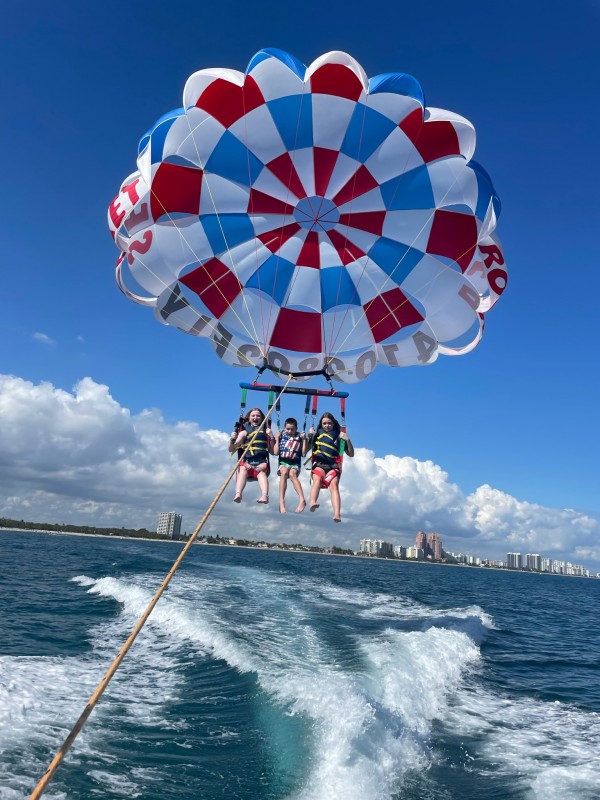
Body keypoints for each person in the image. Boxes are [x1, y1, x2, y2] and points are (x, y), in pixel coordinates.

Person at [303, 411, 354, 522]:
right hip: (319, 465)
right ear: (321, 424)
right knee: (317, 480)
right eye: (324, 423)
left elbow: (351, 454)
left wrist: (347, 440)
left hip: (333, 466)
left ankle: (337, 514)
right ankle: (312, 502)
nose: (327, 425)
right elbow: (305, 450)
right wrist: (309, 436)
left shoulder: (339, 436)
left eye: (329, 423)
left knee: (334, 485)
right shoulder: (317, 435)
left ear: (333, 424)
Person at [228, 408, 272, 504]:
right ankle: (238, 493)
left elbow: (273, 451)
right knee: (243, 470)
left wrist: (271, 437)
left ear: (262, 418)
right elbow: (231, 449)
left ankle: (265, 496)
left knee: (262, 474)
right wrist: (232, 440)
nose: (255, 417)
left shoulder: (265, 432)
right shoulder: (244, 432)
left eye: (258, 416)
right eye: (253, 415)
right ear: (249, 418)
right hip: (247, 463)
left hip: (261, 464)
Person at [271, 417, 306, 514]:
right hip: (283, 461)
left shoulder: (300, 437)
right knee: (284, 472)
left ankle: (302, 499)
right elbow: (275, 452)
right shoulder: (281, 436)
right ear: (284, 428)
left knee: (292, 474)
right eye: (288, 429)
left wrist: (305, 440)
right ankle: (281, 501)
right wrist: (277, 439)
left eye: (292, 429)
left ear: (296, 429)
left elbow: (303, 454)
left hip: (295, 462)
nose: (290, 431)